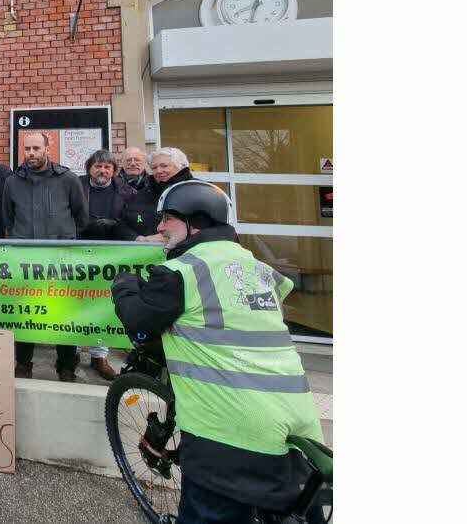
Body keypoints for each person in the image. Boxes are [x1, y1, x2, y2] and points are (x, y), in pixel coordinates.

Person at [111, 180, 324, 523]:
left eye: (167, 219)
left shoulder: (181, 272)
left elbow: (139, 322)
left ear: (195, 222)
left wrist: (124, 285)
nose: (160, 228)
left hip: (228, 432)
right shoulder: (257, 267)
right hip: (299, 430)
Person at [3, 131, 89, 381]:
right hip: (25, 259)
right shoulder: (13, 181)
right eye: (27, 149)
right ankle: (23, 363)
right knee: (25, 311)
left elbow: (81, 217)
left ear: (47, 149)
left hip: (60, 258)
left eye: (36, 149)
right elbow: (9, 217)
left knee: (63, 313)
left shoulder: (68, 179)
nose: (31, 154)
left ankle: (65, 365)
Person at [76, 149, 137, 381]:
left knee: (103, 304)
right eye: (97, 166)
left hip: (111, 256)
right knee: (76, 301)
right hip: (79, 252)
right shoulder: (76, 185)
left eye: (107, 167)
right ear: (89, 168)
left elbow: (131, 220)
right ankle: (70, 350)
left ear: (113, 170)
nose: (102, 171)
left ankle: (99, 356)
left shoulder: (127, 192)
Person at [115, 147, 194, 243]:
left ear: (181, 166)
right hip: (143, 253)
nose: (159, 171)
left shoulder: (196, 191)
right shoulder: (143, 194)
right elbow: (122, 224)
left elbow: (202, 226)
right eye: (154, 167)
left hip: (184, 253)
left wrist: (166, 237)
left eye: (164, 166)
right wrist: (137, 238)